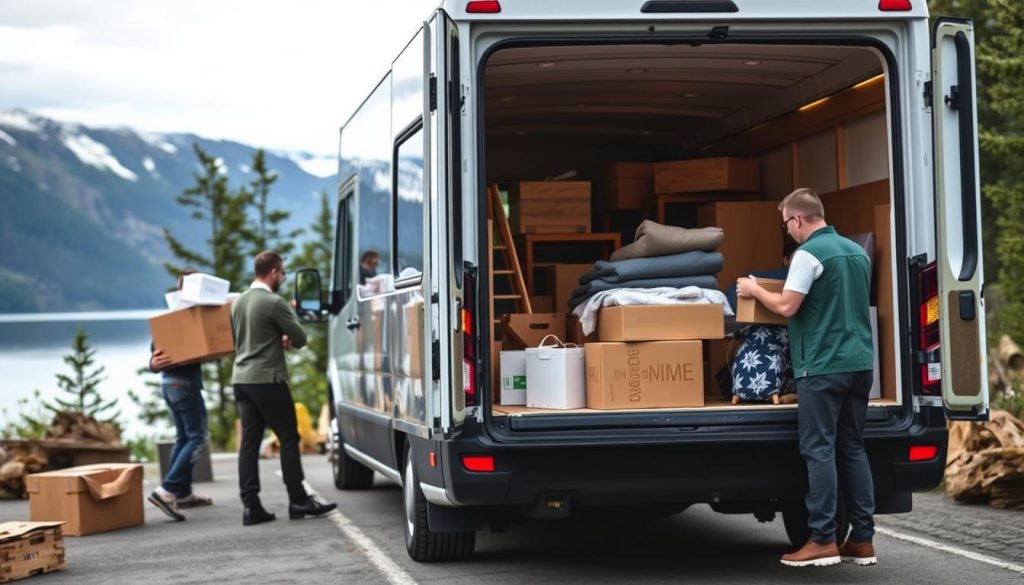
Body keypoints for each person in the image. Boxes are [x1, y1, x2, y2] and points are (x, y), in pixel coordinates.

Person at [737, 188, 876, 568]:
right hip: (860, 364)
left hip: (822, 365)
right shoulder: (856, 252)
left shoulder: (808, 254)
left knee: (818, 450)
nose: (788, 232)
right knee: (853, 448)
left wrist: (752, 289)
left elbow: (786, 305)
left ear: (797, 220)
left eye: (786, 225)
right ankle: (862, 540)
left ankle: (822, 539)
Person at [231, 251, 337, 526]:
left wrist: (278, 337)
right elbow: (300, 338)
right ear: (273, 272)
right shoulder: (273, 302)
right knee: (289, 437)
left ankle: (251, 506)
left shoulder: (238, 302)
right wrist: (287, 330)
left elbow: (248, 338)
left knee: (250, 443)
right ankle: (298, 500)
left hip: (241, 379)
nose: (284, 277)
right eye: (283, 273)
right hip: (267, 379)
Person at [147, 268, 213, 521]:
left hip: (169, 385)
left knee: (183, 436)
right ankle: (168, 489)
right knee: (197, 438)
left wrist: (152, 365)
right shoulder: (190, 319)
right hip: (184, 386)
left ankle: (182, 493)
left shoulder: (168, 319)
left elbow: (153, 359)